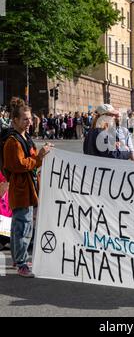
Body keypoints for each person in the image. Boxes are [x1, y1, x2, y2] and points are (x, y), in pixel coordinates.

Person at [3, 98, 51, 278]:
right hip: (21, 189)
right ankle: (22, 263)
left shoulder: (25, 137)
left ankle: (18, 259)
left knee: (20, 226)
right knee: (23, 227)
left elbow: (30, 162)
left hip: (28, 188)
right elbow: (19, 165)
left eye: (30, 118)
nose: (29, 121)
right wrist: (39, 157)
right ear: (15, 120)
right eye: (25, 119)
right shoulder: (12, 142)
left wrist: (40, 158)